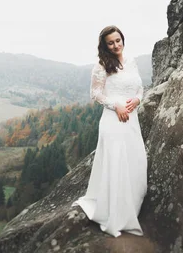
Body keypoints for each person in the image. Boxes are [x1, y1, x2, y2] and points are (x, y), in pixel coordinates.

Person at [73, 25, 147, 237]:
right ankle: (115, 214)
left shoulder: (131, 62)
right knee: (117, 164)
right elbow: (95, 94)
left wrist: (138, 100)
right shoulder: (101, 66)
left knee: (135, 161)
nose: (115, 45)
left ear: (123, 39)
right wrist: (117, 105)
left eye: (118, 40)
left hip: (132, 120)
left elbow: (140, 88)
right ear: (105, 46)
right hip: (113, 121)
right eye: (110, 43)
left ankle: (130, 208)